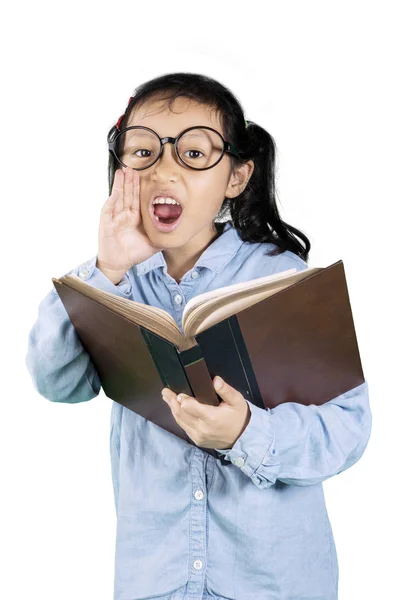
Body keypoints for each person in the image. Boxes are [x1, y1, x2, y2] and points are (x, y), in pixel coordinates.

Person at [25, 72, 372, 600]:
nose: (164, 171)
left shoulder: (282, 280)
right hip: (153, 582)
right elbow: (55, 380)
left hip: (272, 584)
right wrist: (105, 268)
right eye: (143, 151)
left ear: (237, 176)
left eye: (193, 153)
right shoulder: (113, 281)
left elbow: (348, 429)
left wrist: (244, 435)